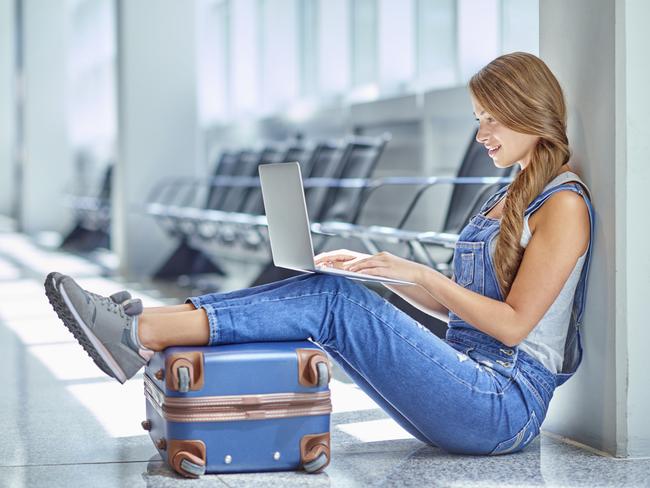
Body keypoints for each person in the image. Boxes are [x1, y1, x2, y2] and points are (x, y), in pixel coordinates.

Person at [45, 52, 594, 456]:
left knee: (333, 301)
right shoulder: (502, 196)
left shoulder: (563, 204)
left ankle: (137, 329)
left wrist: (418, 271)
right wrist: (384, 275)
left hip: (502, 404)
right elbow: (459, 314)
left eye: (492, 118)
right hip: (466, 379)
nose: (482, 133)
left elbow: (515, 326)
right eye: (478, 118)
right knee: (339, 293)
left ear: (530, 112)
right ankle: (140, 327)